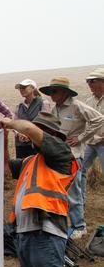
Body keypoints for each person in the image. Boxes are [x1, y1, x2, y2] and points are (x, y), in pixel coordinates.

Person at [0, 112, 78, 267]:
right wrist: (3, 137)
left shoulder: (62, 155)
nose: (32, 136)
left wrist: (11, 123)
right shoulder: (29, 161)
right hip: (24, 235)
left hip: (46, 234)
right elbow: (5, 168)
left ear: (53, 135)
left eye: (41, 130)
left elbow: (30, 130)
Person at [40, 77, 104, 239]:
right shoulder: (56, 109)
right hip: (59, 155)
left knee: (74, 193)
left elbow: (99, 119)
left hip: (73, 155)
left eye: (54, 91)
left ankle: (79, 226)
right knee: (61, 190)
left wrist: (81, 137)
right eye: (50, 92)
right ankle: (65, 222)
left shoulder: (77, 106)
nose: (51, 95)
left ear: (63, 92)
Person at [14, 79, 52, 159]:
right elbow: (15, 124)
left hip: (37, 145)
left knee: (36, 169)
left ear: (33, 88)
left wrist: (31, 135)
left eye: (24, 87)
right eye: (20, 88)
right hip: (21, 145)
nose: (21, 90)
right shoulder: (19, 106)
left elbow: (45, 124)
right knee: (22, 168)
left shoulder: (43, 103)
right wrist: (19, 134)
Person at [82, 68, 104, 193]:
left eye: (93, 81)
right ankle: (80, 200)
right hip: (90, 143)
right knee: (79, 170)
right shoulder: (88, 101)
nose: (89, 84)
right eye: (88, 81)